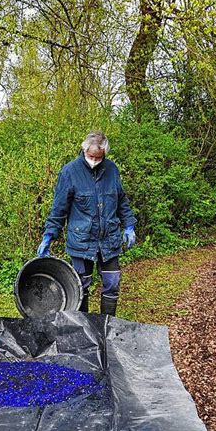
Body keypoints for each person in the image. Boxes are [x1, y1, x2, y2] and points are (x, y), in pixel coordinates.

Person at [37, 131, 136, 316]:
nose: (94, 160)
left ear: (104, 154)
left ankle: (107, 324)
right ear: (84, 150)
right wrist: (48, 236)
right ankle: (84, 329)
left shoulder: (112, 170)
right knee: (80, 287)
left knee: (112, 283)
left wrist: (129, 225)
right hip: (81, 241)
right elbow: (59, 209)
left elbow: (121, 200)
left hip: (109, 240)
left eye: (99, 157)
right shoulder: (69, 172)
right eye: (91, 156)